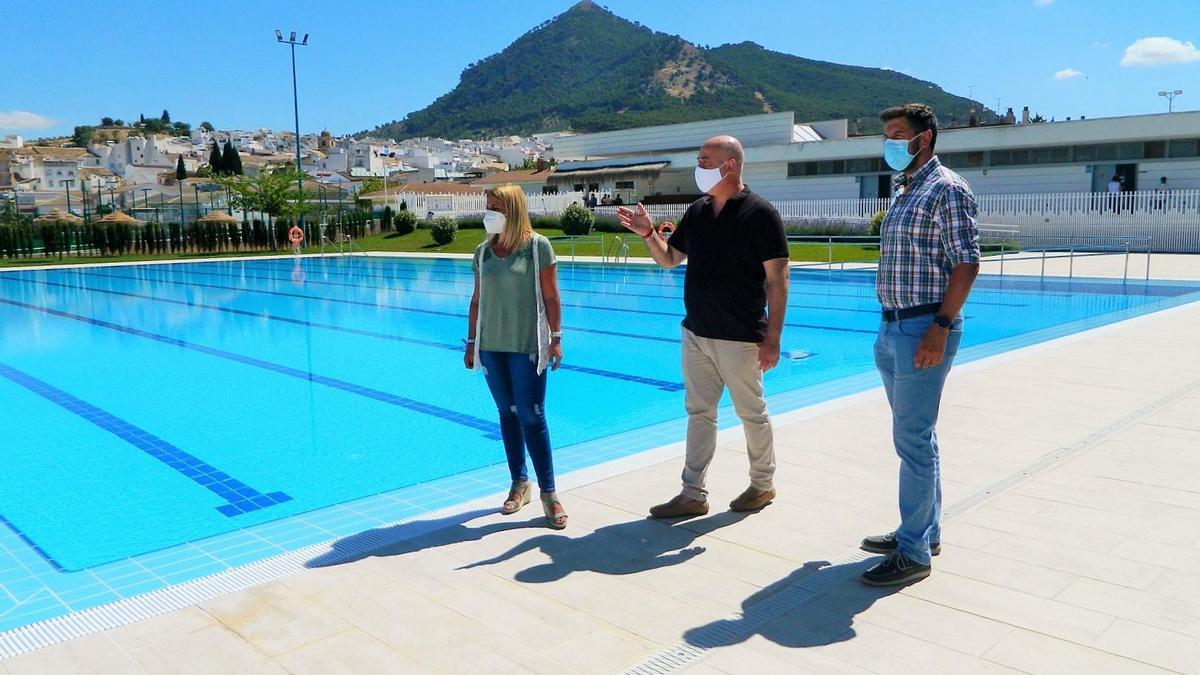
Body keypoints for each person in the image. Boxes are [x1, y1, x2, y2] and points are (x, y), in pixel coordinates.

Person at [617, 136, 789, 518]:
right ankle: (693, 493)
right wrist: (649, 235)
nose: (698, 165)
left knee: (751, 413)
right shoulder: (697, 212)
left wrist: (773, 337)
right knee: (699, 413)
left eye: (704, 159)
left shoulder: (761, 214)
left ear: (729, 165)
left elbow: (778, 279)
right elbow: (669, 259)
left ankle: (762, 485)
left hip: (741, 336)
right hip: (696, 332)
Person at [859, 103, 980, 586]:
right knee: (917, 437)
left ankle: (913, 553)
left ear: (924, 138)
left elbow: (966, 263)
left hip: (923, 329)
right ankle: (923, 532)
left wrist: (941, 327)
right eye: (885, 134)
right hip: (893, 328)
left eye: (896, 134)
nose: (888, 142)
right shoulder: (907, 188)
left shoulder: (946, 188)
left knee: (912, 440)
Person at [464, 184, 568, 529]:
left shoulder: (537, 247)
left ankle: (549, 494)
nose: (489, 212)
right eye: (487, 205)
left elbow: (552, 298)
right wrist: (470, 343)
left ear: (514, 210)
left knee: (532, 416)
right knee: (507, 415)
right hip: (491, 347)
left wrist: (555, 339)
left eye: (496, 207)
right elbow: (477, 300)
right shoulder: (483, 252)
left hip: (527, 346)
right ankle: (519, 484)